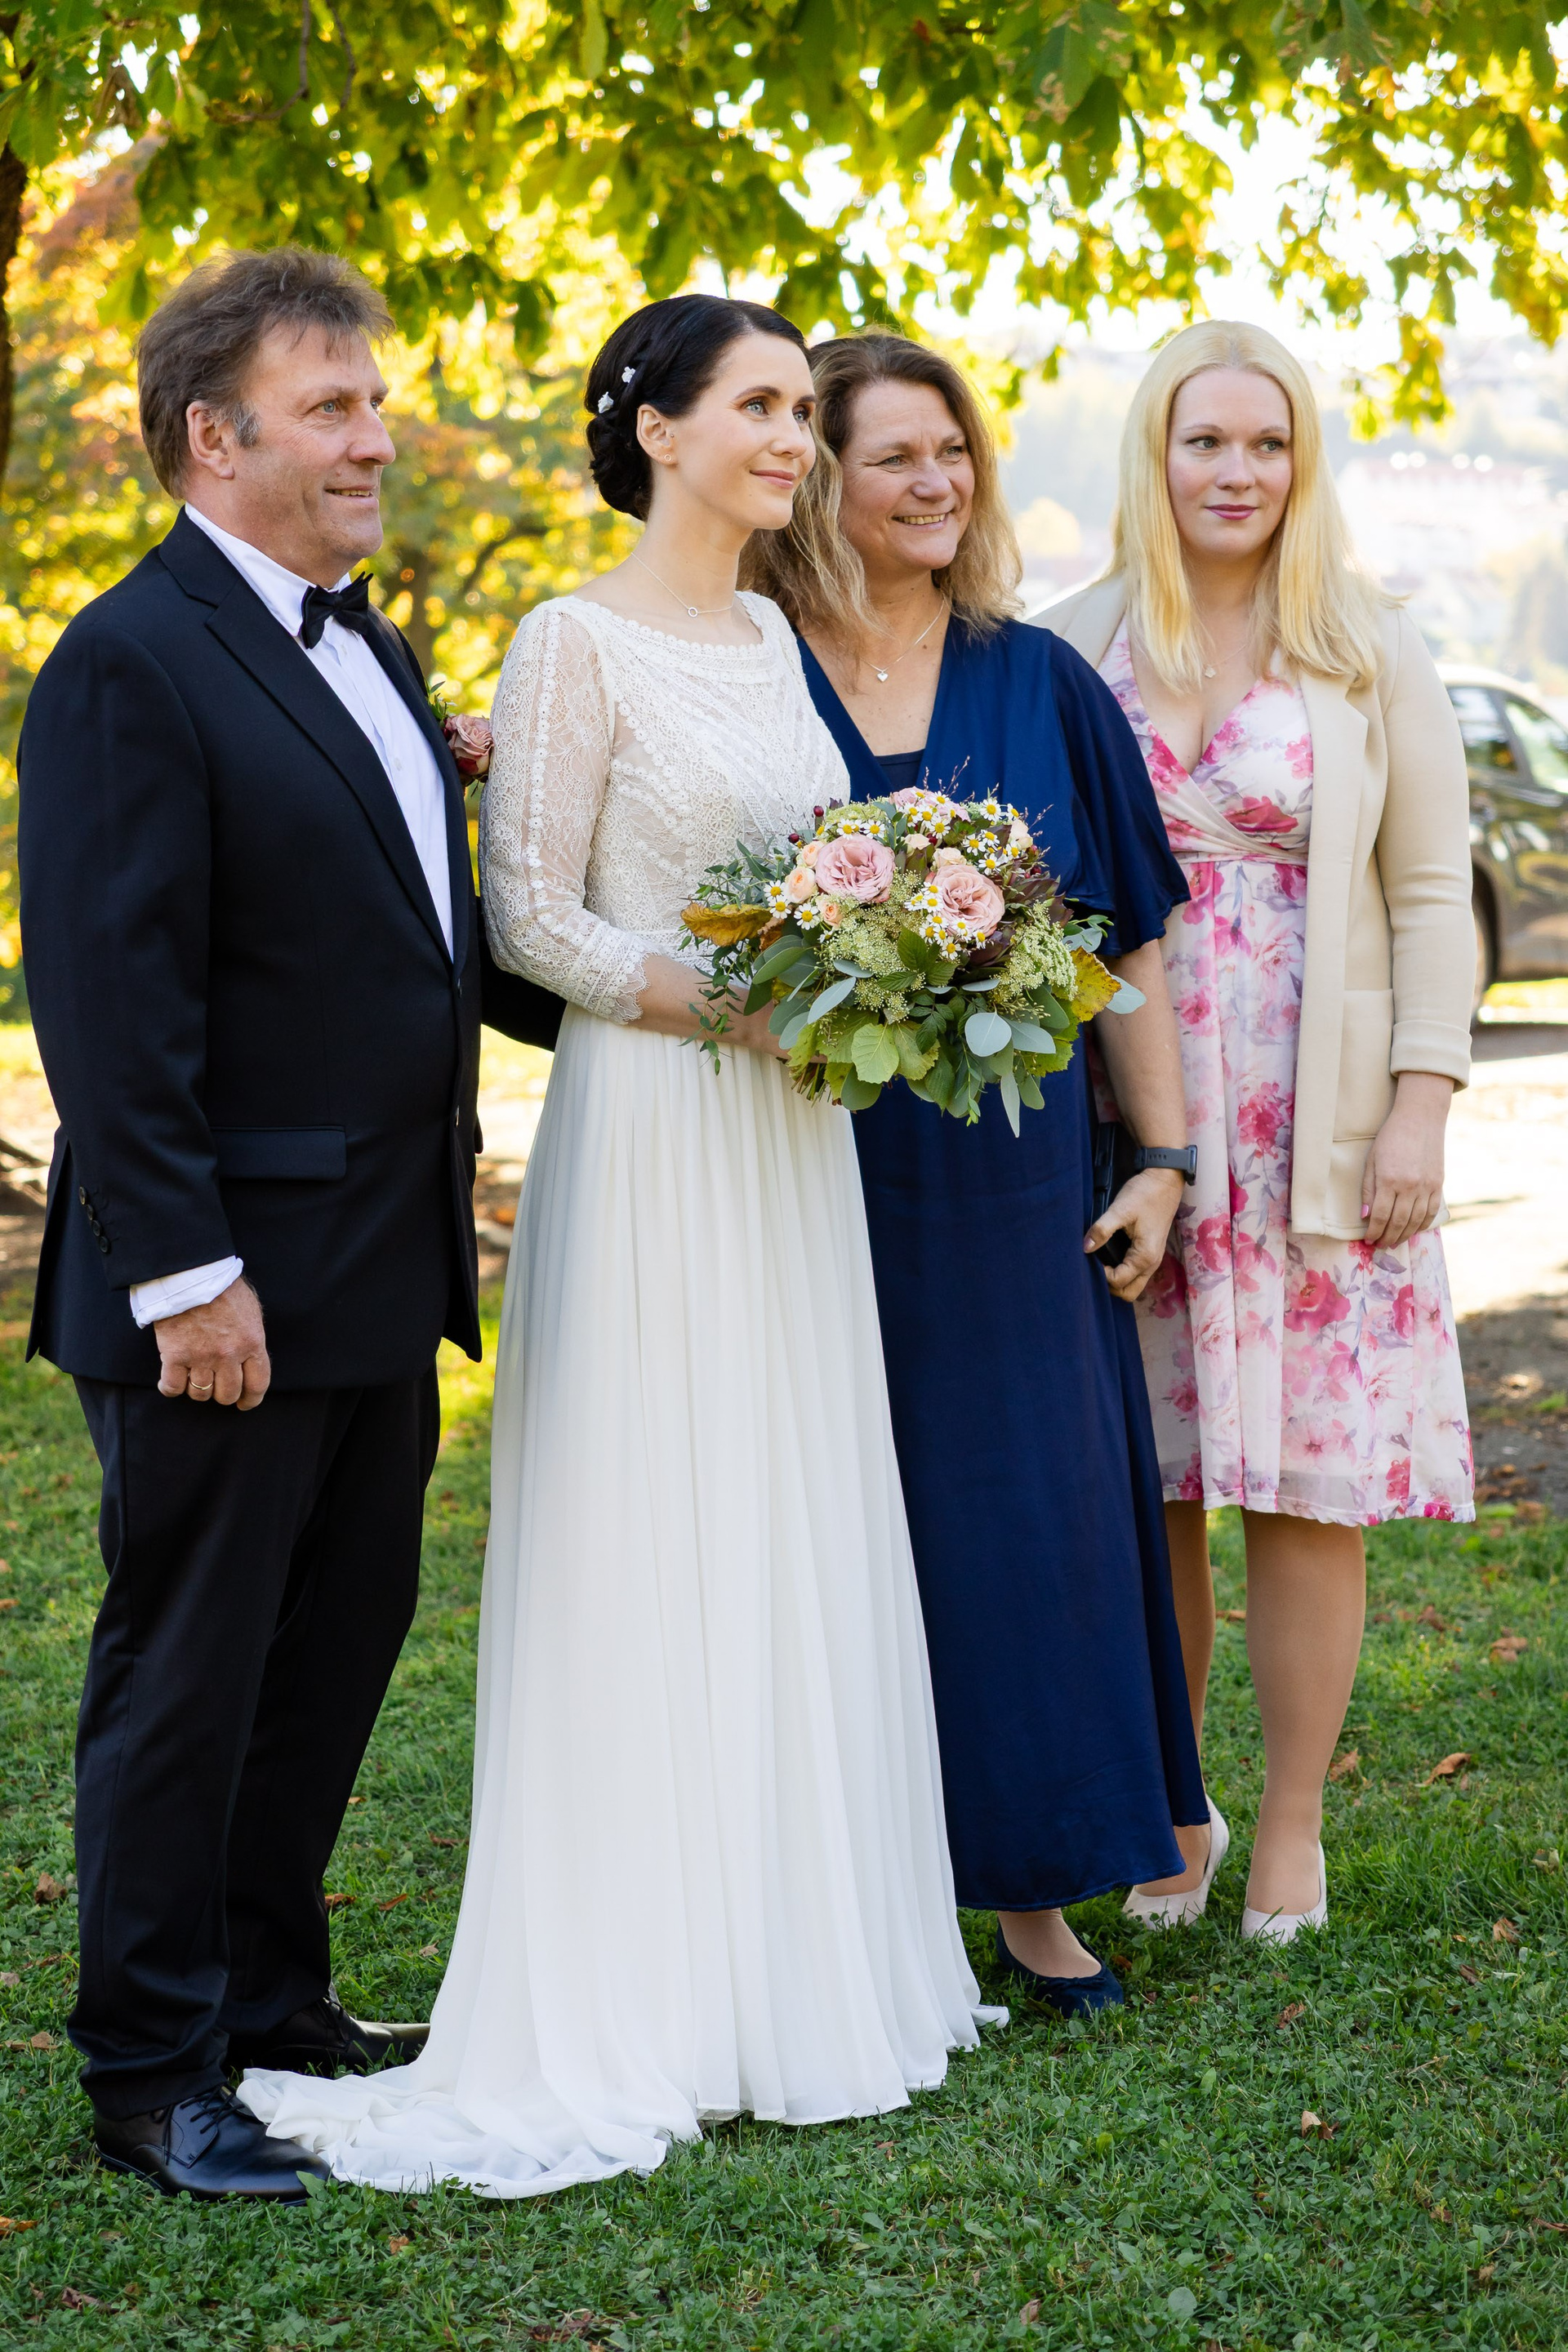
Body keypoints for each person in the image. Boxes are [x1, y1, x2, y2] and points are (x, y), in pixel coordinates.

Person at [238, 294, 996, 2197]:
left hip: (788, 1146)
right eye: (762, 406)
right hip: (660, 1124)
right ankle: (635, 1988)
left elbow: (810, 876)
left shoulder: (771, 638)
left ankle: (789, 1973)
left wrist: (872, 971)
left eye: (803, 411)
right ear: (657, 430)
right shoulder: (571, 640)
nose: (796, 439)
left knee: (782, 1510)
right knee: (655, 1517)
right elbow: (535, 917)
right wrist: (729, 1005)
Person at [16, 248, 483, 2198]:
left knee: (335, 1649)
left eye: (374, 402)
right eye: (333, 408)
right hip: (227, 1285)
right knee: (188, 1674)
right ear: (214, 438)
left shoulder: (371, 646)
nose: (377, 438)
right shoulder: (129, 660)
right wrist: (185, 1274)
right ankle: (149, 2069)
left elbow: (417, 941)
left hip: (381, 1264)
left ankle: (273, 1995)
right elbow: (109, 999)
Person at [743, 332, 1209, 2014]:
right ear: (819, 483)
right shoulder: (747, 675)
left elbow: (1124, 942)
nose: (937, 481)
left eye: (955, 452)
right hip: (797, 1168)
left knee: (1028, 1518)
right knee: (828, 1518)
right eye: (896, 455)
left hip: (1019, 1189)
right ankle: (833, 1896)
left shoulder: (1043, 683)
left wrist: (1161, 1160)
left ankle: (1034, 1896)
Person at [1049, 319, 1474, 1942]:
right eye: (1205, 440)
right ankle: (1175, 1812)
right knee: (1146, 1486)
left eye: (1268, 442)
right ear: (1153, 455)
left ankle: (1291, 1823)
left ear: (1305, 462)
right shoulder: (1071, 644)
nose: (1238, 471)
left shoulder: (1367, 646)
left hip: (1320, 1123)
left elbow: (1430, 896)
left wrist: (1419, 1108)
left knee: (1306, 1488)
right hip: (1127, 1120)